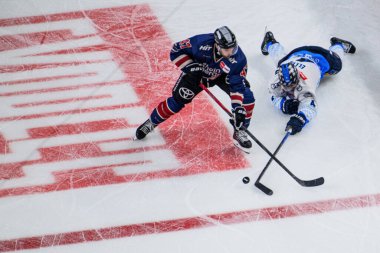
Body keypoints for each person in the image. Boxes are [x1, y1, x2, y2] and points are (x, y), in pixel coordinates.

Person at [135, 26, 255, 153]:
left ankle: (240, 130)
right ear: (218, 46)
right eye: (227, 49)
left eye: (233, 48)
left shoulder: (239, 58)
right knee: (177, 101)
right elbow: (176, 50)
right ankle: (151, 122)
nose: (231, 52)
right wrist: (190, 67)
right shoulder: (200, 43)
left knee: (247, 98)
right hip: (197, 75)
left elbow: (237, 84)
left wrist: (238, 108)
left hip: (222, 76)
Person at [260, 31, 356, 135]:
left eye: (292, 85)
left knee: (337, 66)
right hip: (294, 55)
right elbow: (273, 96)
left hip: (321, 57)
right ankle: (270, 42)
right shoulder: (276, 80)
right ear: (279, 79)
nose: (289, 89)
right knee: (281, 61)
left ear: (298, 78)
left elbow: (311, 106)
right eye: (286, 86)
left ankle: (338, 44)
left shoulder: (306, 85)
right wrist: (284, 104)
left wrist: (300, 119)